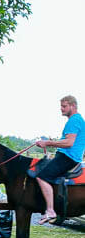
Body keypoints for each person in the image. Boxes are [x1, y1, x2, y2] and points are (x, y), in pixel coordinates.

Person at [33, 95, 85, 224]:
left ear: (73, 106)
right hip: (67, 155)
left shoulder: (74, 120)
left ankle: (50, 210)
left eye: (64, 106)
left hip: (68, 157)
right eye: (61, 106)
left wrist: (47, 143)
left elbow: (69, 143)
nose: (61, 109)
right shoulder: (77, 120)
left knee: (42, 176)